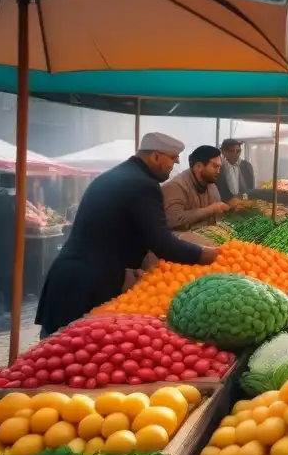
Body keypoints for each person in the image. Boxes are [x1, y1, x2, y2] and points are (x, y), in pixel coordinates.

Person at [35, 133, 218, 335]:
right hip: (88, 282)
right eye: (171, 160)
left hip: (72, 275)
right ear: (156, 156)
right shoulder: (143, 184)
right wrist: (203, 255)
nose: (173, 167)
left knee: (59, 349)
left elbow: (122, 229)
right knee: (71, 352)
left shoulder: (118, 175)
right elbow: (161, 242)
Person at [162, 145, 231, 231]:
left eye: (219, 167)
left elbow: (217, 219)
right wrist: (209, 210)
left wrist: (230, 207)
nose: (218, 171)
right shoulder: (175, 187)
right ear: (199, 167)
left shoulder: (212, 185)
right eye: (214, 166)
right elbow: (173, 221)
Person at [216, 138, 255, 203]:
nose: (235, 153)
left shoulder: (246, 166)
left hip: (243, 205)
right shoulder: (219, 167)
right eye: (232, 151)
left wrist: (245, 201)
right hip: (224, 207)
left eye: (238, 151)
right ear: (223, 152)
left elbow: (249, 188)